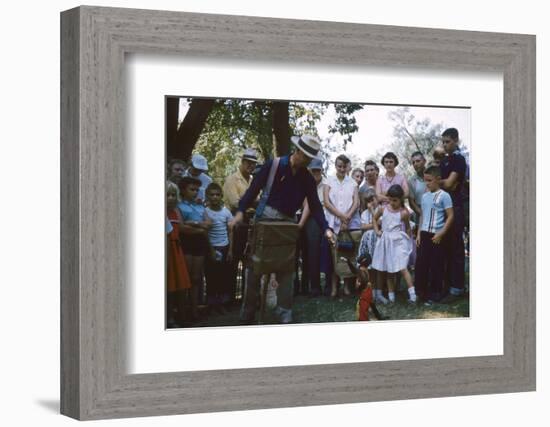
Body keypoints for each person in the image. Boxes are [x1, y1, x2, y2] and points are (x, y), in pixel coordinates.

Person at [232, 134, 336, 324]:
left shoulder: (307, 178)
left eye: (311, 158)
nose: (308, 161)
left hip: (288, 225)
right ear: (297, 151)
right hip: (265, 220)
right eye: (306, 156)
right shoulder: (274, 165)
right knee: (254, 269)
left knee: (287, 270)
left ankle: (284, 312)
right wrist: (240, 211)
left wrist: (326, 228)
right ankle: (247, 313)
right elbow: (253, 190)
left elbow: (315, 206)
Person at [223, 148, 258, 303]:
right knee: (234, 259)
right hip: (237, 222)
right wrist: (250, 201)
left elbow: (258, 201)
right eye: (248, 163)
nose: (251, 166)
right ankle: (229, 297)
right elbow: (235, 203)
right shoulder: (232, 179)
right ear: (242, 162)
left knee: (248, 261)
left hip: (251, 221)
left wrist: (249, 202)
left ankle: (245, 297)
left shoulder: (253, 181)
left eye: (253, 164)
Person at [414, 166, 454, 304]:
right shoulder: (425, 196)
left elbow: (450, 216)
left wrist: (441, 233)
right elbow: (422, 216)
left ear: (438, 179)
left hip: (437, 235)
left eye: (429, 180)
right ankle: (420, 292)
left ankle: (435, 293)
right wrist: (418, 234)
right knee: (421, 264)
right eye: (425, 180)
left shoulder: (444, 195)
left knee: (436, 265)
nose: (427, 183)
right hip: (424, 234)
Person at [371, 184, 417, 303]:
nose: (392, 202)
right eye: (390, 199)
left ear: (401, 199)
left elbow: (407, 228)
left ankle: (413, 295)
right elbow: (374, 219)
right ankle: (391, 297)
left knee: (403, 267)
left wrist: (408, 241)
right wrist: (377, 231)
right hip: (385, 240)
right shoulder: (383, 209)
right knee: (388, 268)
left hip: (398, 242)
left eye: (395, 200)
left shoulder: (404, 213)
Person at [323, 154, 361, 297]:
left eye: (344, 166)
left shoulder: (352, 183)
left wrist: (347, 218)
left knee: (346, 255)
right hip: (332, 223)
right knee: (333, 256)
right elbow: (327, 202)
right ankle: (334, 288)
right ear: (335, 165)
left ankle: (346, 287)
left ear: (347, 167)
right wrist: (341, 216)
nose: (341, 169)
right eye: (339, 166)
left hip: (347, 224)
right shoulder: (329, 181)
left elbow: (356, 202)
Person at [296, 156, 332, 297]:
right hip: (301, 217)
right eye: (313, 171)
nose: (315, 174)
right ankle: (303, 286)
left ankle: (315, 287)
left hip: (317, 220)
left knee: (314, 253)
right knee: (303, 253)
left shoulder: (326, 185)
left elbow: (314, 205)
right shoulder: (302, 183)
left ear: (322, 171)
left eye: (318, 171)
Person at [439, 128, 467, 303]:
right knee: (446, 249)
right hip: (444, 208)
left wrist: (440, 182)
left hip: (456, 208)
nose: (444, 145)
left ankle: (457, 288)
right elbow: (443, 184)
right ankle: (448, 286)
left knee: (456, 249)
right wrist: (443, 183)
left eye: (447, 141)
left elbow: (449, 184)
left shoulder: (459, 159)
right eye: (443, 142)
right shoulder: (444, 161)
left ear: (456, 140)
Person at [177, 176, 212, 317]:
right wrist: (200, 227)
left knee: (196, 278)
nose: (195, 192)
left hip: (199, 243)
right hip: (186, 242)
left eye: (197, 190)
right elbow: (181, 227)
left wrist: (193, 223)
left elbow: (209, 223)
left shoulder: (200, 206)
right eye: (192, 189)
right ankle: (182, 310)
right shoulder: (178, 206)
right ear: (183, 190)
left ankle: (194, 309)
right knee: (185, 278)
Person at [204, 183, 234, 314]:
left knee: (223, 276)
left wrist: (231, 250)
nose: (215, 197)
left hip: (224, 247)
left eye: (217, 194)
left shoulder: (226, 212)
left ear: (221, 196)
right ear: (207, 196)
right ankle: (211, 303)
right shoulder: (205, 212)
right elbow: (205, 233)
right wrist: (210, 250)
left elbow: (231, 231)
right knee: (211, 276)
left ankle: (222, 303)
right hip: (211, 247)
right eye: (212, 195)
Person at [166, 181, 192, 327]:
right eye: (167, 195)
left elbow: (181, 228)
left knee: (180, 286)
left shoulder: (176, 212)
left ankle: (181, 316)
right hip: (167, 251)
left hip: (177, 250)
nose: (170, 198)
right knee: (168, 287)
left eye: (173, 195)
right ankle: (169, 317)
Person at [357, 189, 388, 304]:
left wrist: (373, 217)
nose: (371, 203)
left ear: (376, 198)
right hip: (368, 243)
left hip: (379, 241)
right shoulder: (365, 213)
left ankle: (379, 293)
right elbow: (363, 226)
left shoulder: (382, 210)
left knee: (379, 268)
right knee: (370, 268)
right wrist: (372, 221)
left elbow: (381, 223)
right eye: (368, 201)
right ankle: (372, 292)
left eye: (372, 199)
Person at [408, 151, 427, 221]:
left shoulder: (433, 175)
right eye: (413, 162)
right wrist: (422, 214)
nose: (415, 164)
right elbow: (411, 203)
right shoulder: (411, 181)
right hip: (420, 217)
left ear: (424, 161)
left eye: (418, 161)